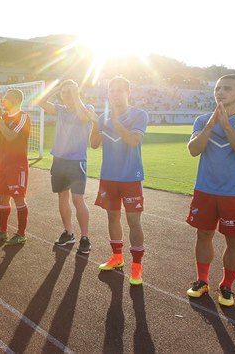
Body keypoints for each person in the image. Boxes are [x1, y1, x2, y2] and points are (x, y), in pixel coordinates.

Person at [185, 74, 235, 307]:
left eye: (227, 89)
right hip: (205, 189)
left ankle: (227, 285)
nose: (220, 92)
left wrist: (226, 125)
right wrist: (211, 124)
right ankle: (202, 281)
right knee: (203, 235)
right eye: (218, 88)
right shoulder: (202, 120)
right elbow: (193, 149)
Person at [90, 76, 148, 285]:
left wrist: (114, 120)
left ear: (128, 92)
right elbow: (94, 143)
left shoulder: (139, 115)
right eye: (111, 91)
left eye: (119, 90)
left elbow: (133, 141)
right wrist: (96, 122)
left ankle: (136, 267)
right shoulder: (102, 117)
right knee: (112, 218)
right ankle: (117, 257)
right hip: (108, 177)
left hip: (130, 177)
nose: (115, 94)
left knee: (133, 221)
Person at [37, 79, 97, 254]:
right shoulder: (61, 110)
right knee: (62, 198)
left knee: (77, 200)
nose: (67, 96)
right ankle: (68, 232)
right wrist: (56, 89)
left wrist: (75, 93)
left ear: (77, 92)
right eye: (64, 93)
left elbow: (83, 117)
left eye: (70, 92)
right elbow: (41, 102)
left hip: (76, 161)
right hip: (59, 160)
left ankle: (84, 237)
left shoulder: (87, 108)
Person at [0, 89, 31, 245]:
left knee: (19, 198)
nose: (2, 101)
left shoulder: (23, 117)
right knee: (3, 197)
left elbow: (11, 137)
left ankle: (21, 234)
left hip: (17, 166)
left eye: (6, 98)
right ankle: (3, 231)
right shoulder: (3, 117)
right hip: (3, 164)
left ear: (15, 100)